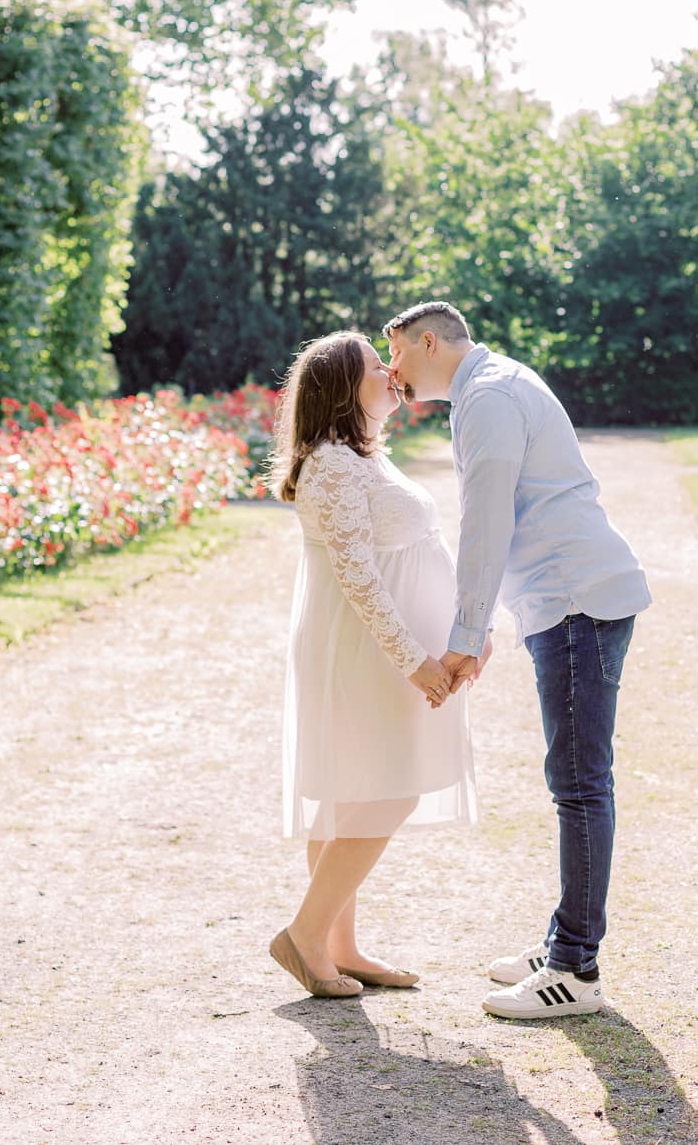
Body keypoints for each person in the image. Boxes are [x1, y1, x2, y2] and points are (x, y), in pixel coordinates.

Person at [384, 301, 651, 1021]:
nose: (392, 371)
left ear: (427, 341)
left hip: (576, 600)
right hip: (567, 598)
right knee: (576, 781)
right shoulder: (491, 386)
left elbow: (488, 520)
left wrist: (466, 634)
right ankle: (564, 942)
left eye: (398, 355)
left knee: (579, 784)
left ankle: (575, 969)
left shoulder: (490, 396)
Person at [267, 330, 481, 1000]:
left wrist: (467, 626)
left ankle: (338, 945)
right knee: (388, 786)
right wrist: (414, 660)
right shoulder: (331, 464)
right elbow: (358, 578)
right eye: (373, 365)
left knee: (353, 792)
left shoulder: (363, 456)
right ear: (340, 390)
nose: (392, 371)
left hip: (382, 653)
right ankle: (304, 934)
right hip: (365, 654)